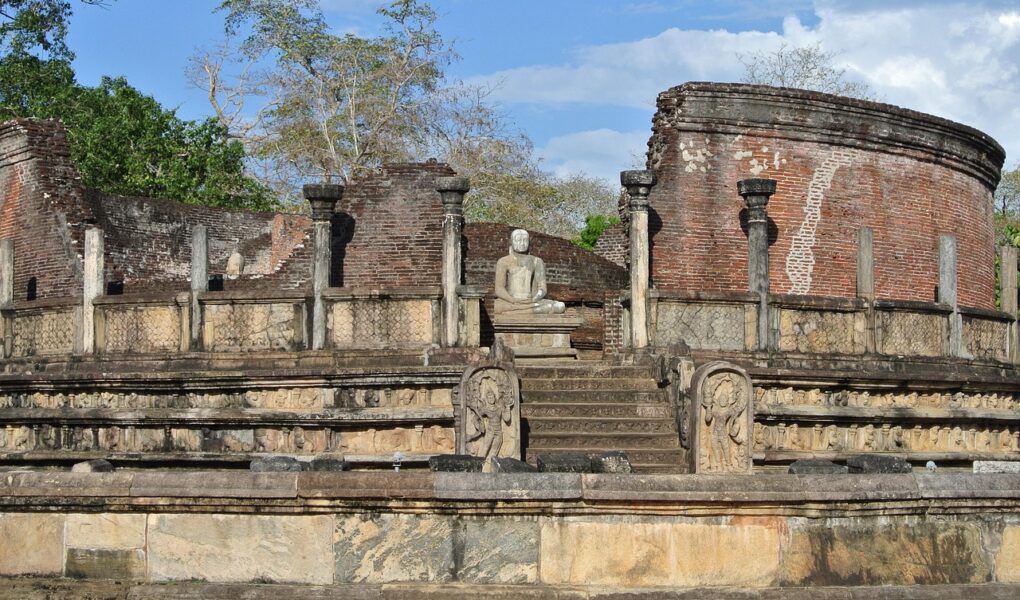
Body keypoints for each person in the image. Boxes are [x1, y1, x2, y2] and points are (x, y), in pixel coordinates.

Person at [493, 229, 566, 315]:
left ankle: (519, 312)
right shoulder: (503, 261)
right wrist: (512, 300)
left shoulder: (537, 261)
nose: (522, 243)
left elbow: (542, 288)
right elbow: (499, 289)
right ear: (511, 242)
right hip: (511, 301)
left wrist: (533, 299)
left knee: (560, 306)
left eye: (525, 240)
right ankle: (524, 310)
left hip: (531, 301)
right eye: (518, 240)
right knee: (495, 306)